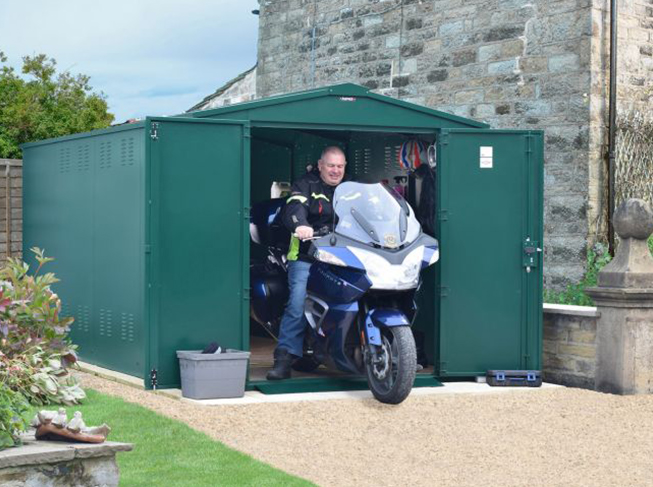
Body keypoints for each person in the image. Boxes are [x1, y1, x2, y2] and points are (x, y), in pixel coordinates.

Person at [266, 146, 347, 380]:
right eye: (331, 165)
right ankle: (284, 359)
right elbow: (293, 207)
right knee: (299, 301)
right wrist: (300, 224)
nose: (335, 171)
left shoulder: (351, 187)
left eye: (340, 166)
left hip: (343, 256)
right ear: (321, 165)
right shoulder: (305, 185)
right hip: (306, 254)